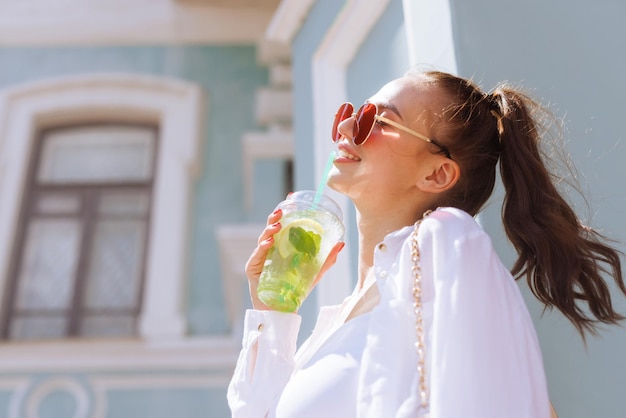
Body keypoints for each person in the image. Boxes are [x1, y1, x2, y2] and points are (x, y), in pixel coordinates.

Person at [227, 70, 626, 418]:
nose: (347, 129)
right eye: (351, 113)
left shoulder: (447, 241)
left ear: (437, 174)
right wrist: (274, 315)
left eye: (376, 120)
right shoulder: (339, 320)